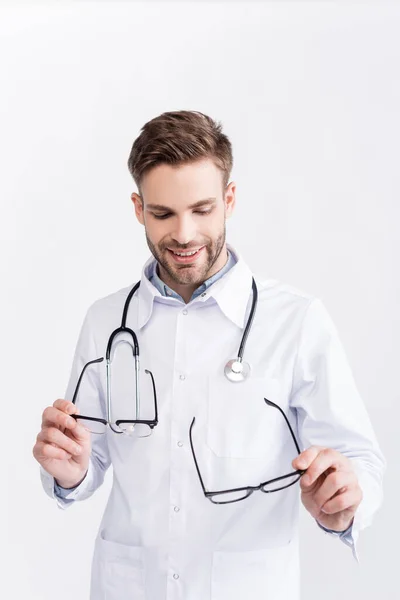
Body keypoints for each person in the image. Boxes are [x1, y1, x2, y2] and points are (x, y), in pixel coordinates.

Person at [33, 110, 386, 600]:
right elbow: (88, 461)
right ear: (138, 208)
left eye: (202, 210)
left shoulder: (297, 321)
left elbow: (359, 458)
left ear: (230, 199)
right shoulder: (106, 322)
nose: (183, 234)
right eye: (163, 214)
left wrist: (348, 498)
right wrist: (69, 471)